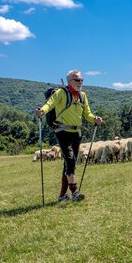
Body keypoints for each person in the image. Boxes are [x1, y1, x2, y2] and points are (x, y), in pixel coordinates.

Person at [35, 70, 103, 202]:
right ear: (69, 81)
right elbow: (50, 104)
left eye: (82, 80)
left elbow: (87, 114)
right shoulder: (61, 93)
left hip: (77, 132)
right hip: (62, 131)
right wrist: (42, 111)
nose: (80, 82)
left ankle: (62, 196)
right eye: (77, 80)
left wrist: (95, 119)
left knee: (69, 164)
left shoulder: (82, 95)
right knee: (70, 160)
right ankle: (75, 191)